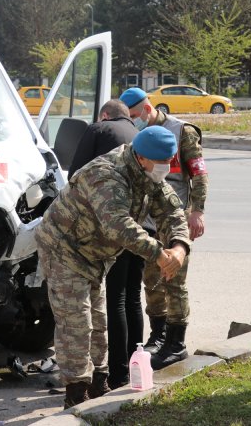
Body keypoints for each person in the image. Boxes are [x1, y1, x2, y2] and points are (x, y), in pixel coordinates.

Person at [36, 126, 190, 408]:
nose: (166, 168)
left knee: (97, 319)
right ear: (142, 158)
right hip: (64, 248)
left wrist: (179, 246)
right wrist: (159, 253)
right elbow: (118, 225)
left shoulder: (146, 173)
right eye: (162, 162)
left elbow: (172, 209)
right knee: (76, 322)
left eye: (170, 162)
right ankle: (76, 393)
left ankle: (98, 381)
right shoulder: (107, 174)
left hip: (94, 253)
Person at [119, 86, 208, 370]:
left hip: (175, 214)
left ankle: (176, 342)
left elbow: (199, 173)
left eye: (134, 116)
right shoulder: (138, 134)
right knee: (151, 280)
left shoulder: (182, 131)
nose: (133, 122)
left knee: (174, 280)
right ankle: (158, 336)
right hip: (147, 216)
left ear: (146, 109)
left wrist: (197, 211)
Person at [68, 99, 143, 390]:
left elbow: (76, 175)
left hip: (114, 226)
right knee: (134, 297)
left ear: (104, 115)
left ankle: (117, 373)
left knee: (116, 299)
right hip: (142, 225)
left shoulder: (98, 130)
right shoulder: (139, 134)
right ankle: (136, 366)